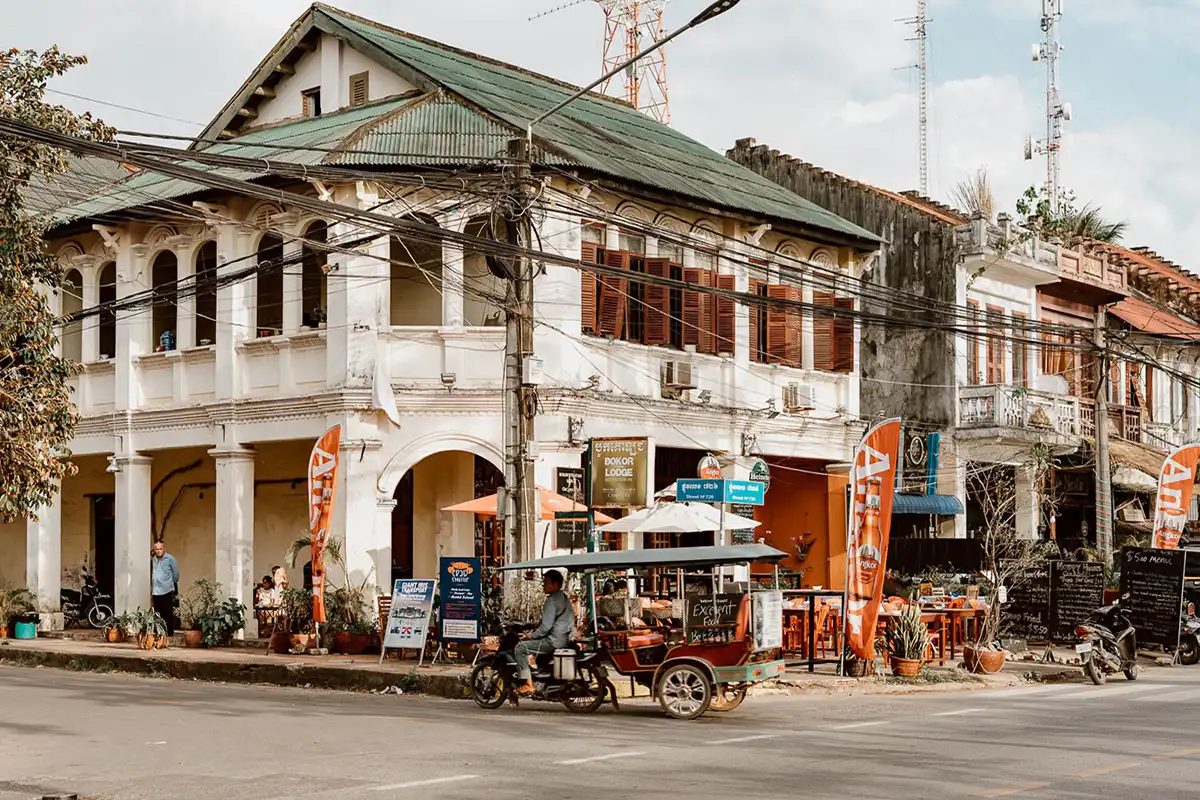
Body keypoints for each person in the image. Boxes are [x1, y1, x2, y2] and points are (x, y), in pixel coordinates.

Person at [514, 570, 576, 696]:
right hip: (564, 638)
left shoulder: (551, 601)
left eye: (546, 583)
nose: (543, 585)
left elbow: (545, 628)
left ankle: (528, 684)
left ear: (555, 584)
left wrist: (530, 636)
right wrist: (537, 624)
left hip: (553, 641)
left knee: (520, 648)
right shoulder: (564, 597)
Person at [150, 541, 179, 636]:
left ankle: (169, 631)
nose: (159, 551)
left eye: (160, 549)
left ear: (164, 549)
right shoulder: (153, 560)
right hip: (156, 590)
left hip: (167, 589)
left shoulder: (170, 559)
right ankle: (159, 631)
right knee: (157, 612)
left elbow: (176, 574)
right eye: (157, 549)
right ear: (154, 550)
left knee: (167, 611)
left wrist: (171, 584)